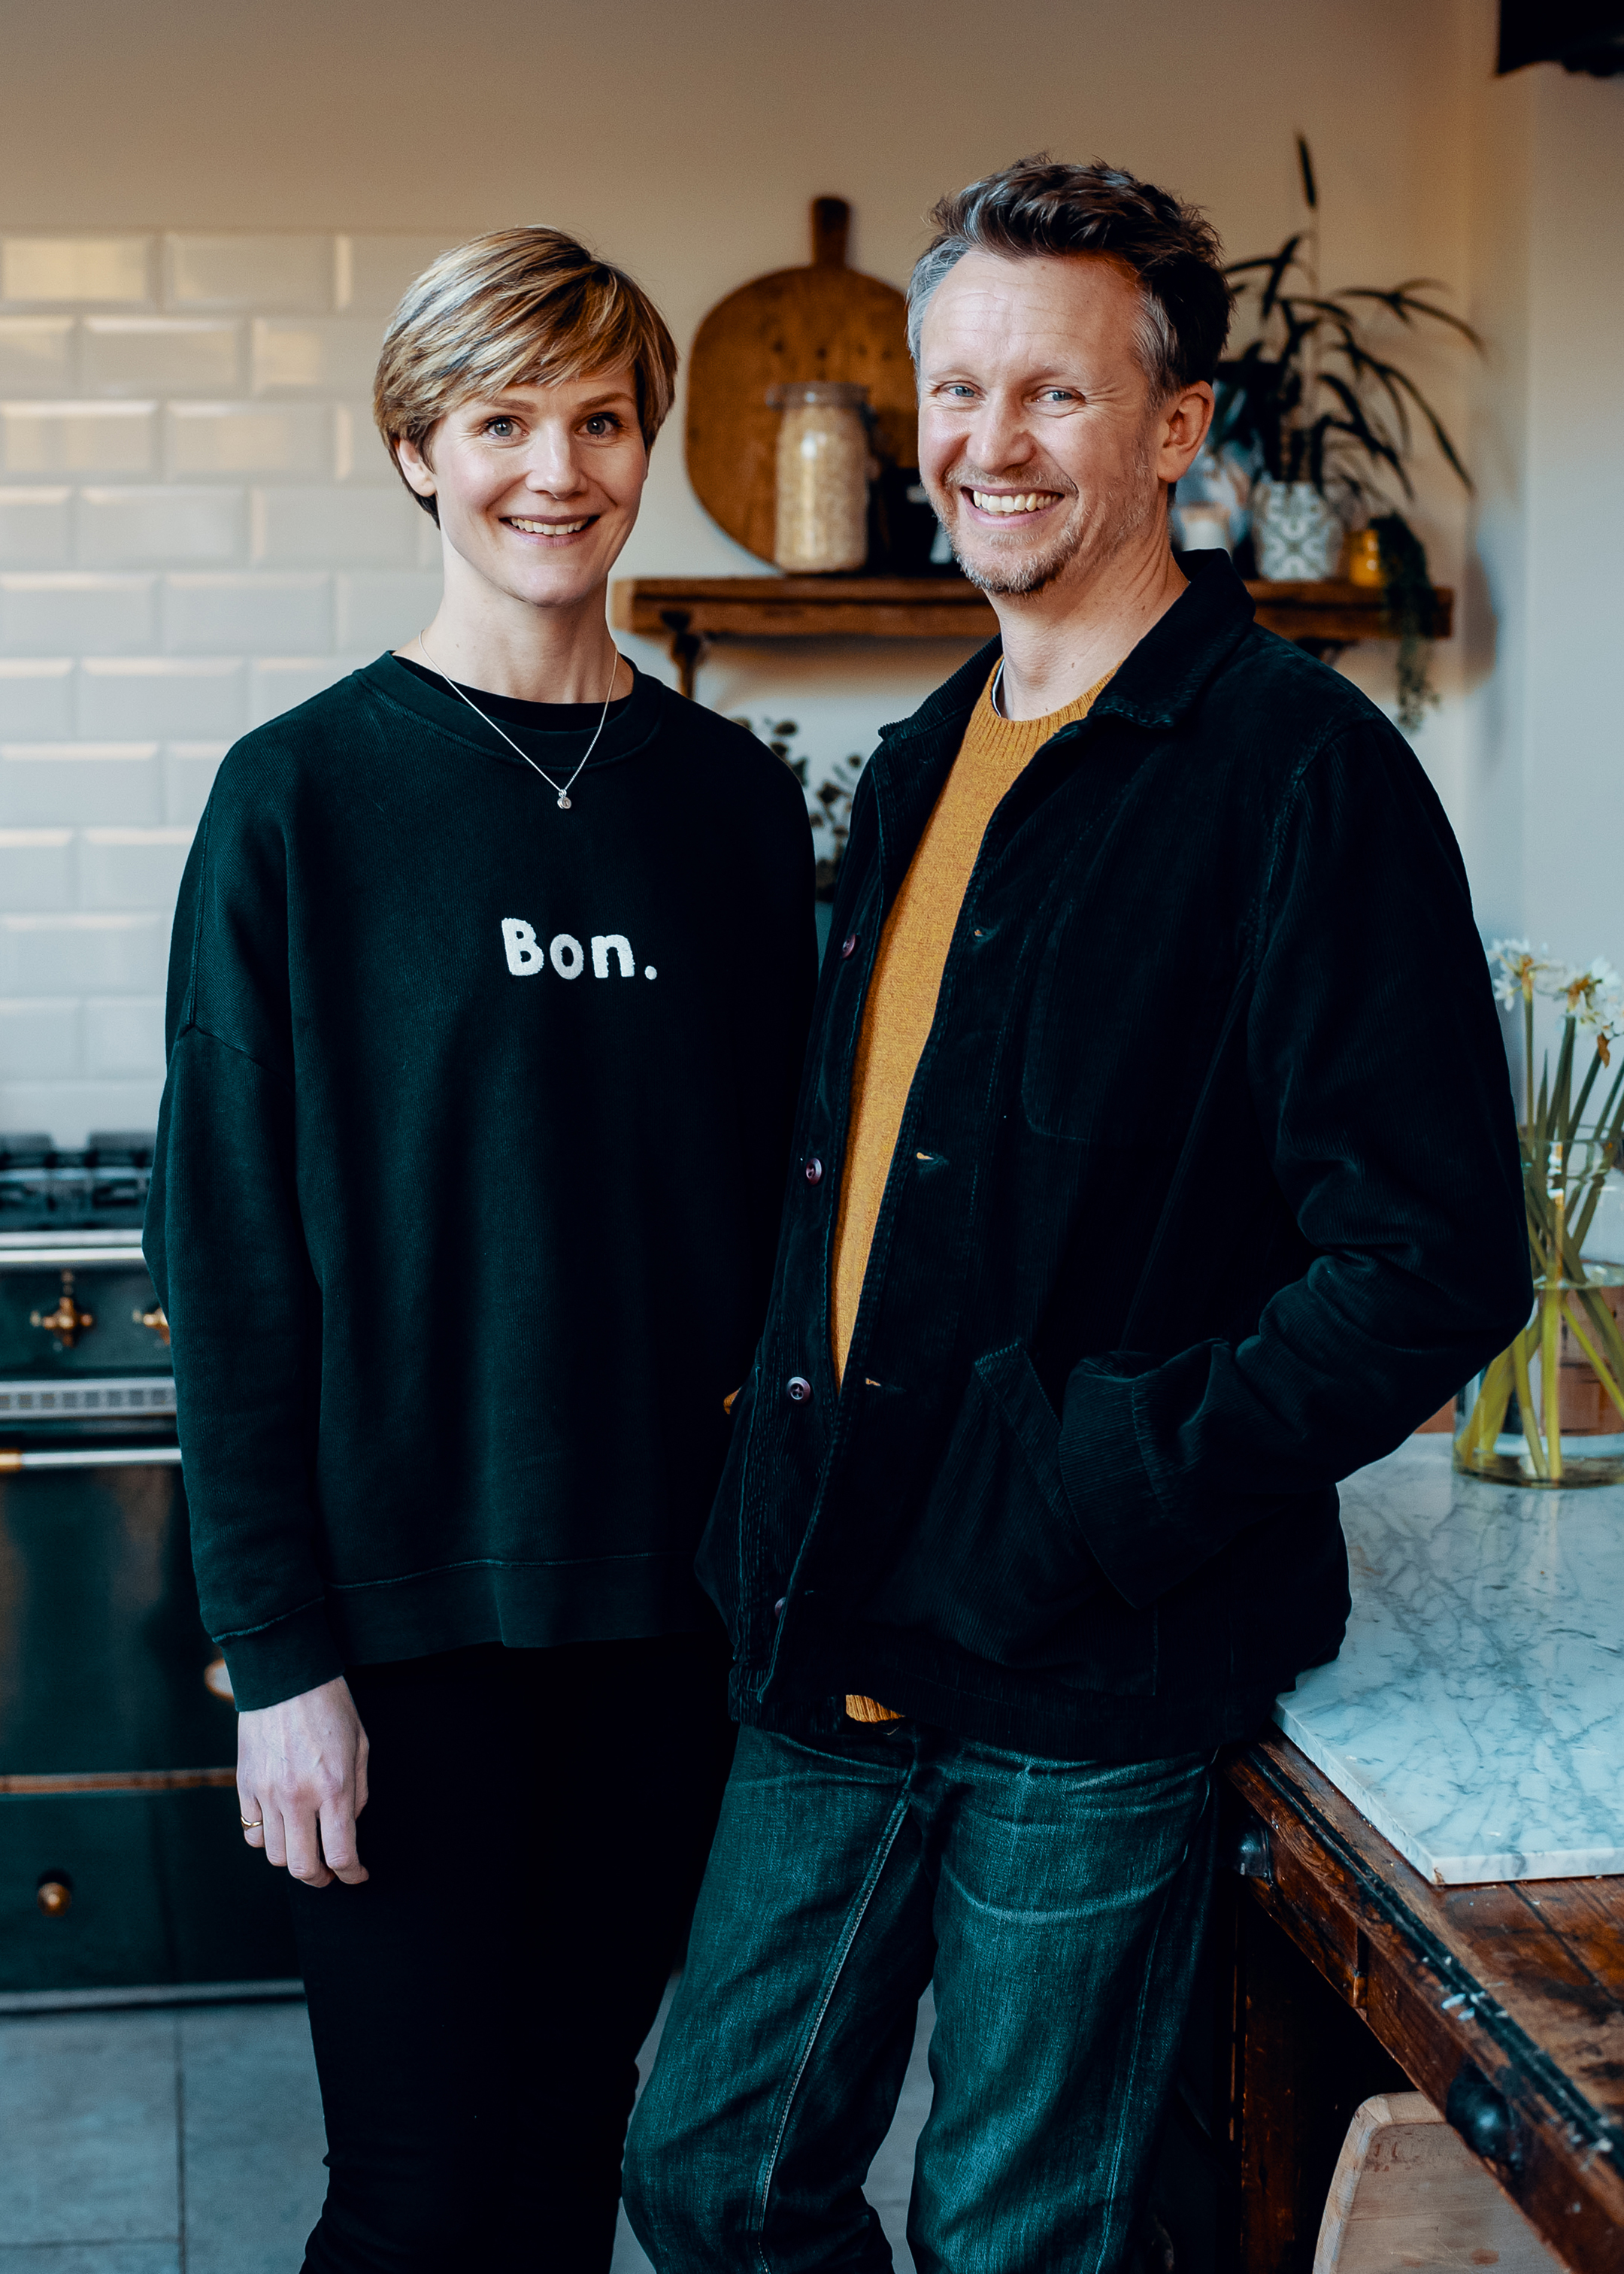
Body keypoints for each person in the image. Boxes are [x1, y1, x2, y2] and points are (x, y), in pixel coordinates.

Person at [622, 158, 1531, 2273]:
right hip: (837, 1604)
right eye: (958, 390)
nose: (989, 443)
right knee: (710, 2174)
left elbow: (1432, 1259)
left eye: (1054, 391)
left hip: (1093, 1653)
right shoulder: (927, 757)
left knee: (1023, 2233)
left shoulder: (1302, 774)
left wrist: (1106, 1476)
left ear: (1177, 425)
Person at [144, 227, 815, 2272]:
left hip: (665, 1624)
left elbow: (787, 1225)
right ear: (417, 452)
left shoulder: (731, 807)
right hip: (399, 1629)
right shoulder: (298, 800)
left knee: (562, 2154)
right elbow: (228, 1260)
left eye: (601, 420)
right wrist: (279, 1664)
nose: (556, 468)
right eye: (502, 420)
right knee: (415, 2197)